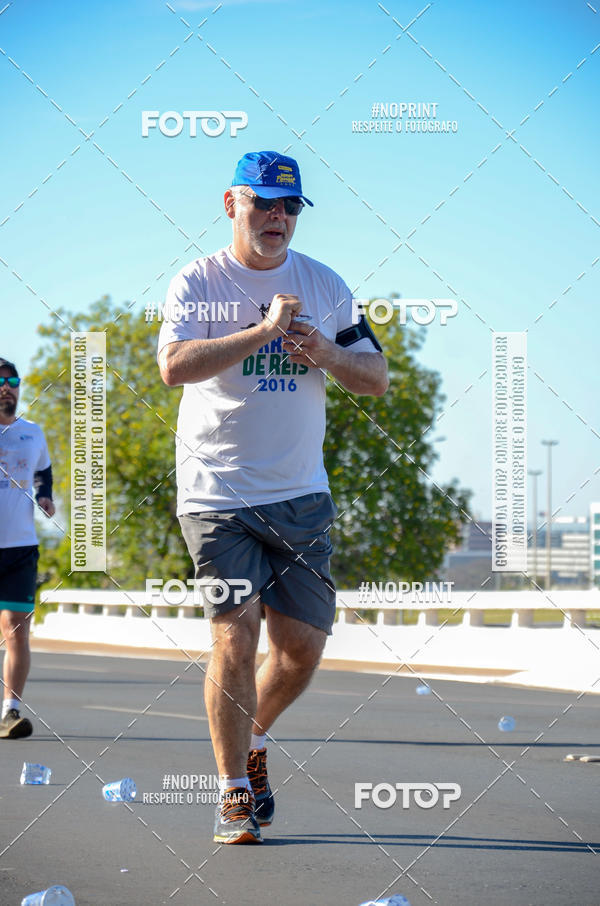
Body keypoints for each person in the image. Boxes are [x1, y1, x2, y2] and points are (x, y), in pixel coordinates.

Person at [157, 151, 388, 844]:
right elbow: (173, 366)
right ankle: (232, 793)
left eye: (289, 207)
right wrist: (261, 331)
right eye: (263, 203)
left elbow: (375, 376)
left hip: (300, 495)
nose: (277, 217)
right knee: (236, 635)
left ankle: (253, 739)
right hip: (216, 494)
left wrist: (325, 353)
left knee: (300, 650)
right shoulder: (197, 280)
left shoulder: (324, 283)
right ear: (232, 204)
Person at [0, 358, 55, 739]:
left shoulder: (32, 432)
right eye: (0, 382)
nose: (7, 387)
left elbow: (43, 472)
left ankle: (10, 711)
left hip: (21, 547)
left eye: (13, 381)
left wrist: (45, 495)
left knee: (16, 629)